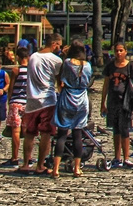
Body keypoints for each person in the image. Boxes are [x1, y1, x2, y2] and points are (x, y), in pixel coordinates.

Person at [21, 33, 63, 175]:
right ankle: (40, 165)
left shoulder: (33, 57)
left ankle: (26, 163)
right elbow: (59, 81)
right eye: (59, 45)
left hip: (31, 100)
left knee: (30, 133)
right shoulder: (56, 60)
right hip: (47, 100)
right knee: (46, 133)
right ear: (55, 44)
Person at [52, 42, 92, 178]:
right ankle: (76, 168)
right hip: (81, 100)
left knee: (62, 135)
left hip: (67, 98)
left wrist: (64, 54)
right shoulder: (87, 66)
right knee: (77, 135)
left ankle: (56, 168)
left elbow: (62, 74)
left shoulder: (68, 62)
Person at [101, 41, 133, 169]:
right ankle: (117, 157)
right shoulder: (110, 66)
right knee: (116, 131)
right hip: (113, 101)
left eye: (121, 50)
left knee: (125, 130)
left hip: (125, 102)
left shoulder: (130, 66)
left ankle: (127, 158)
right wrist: (103, 102)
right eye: (116, 51)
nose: (118, 53)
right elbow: (106, 85)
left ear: (125, 52)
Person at [4, 46, 29, 167]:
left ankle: (14, 157)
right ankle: (27, 158)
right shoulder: (32, 70)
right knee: (27, 131)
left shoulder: (16, 70)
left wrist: (9, 101)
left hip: (16, 102)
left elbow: (11, 87)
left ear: (18, 57)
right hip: (28, 103)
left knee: (15, 130)